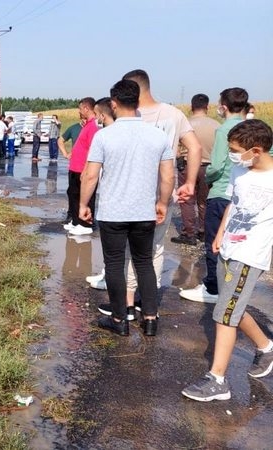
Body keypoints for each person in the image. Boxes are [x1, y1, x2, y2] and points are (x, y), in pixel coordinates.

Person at [181, 119, 273, 401]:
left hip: (249, 256)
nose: (232, 154)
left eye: (235, 150)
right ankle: (266, 347)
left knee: (225, 314)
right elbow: (234, 204)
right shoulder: (239, 169)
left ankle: (218, 380)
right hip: (229, 248)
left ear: (255, 150)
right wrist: (220, 234)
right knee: (229, 305)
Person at [79, 79, 175, 336]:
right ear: (138, 103)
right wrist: (162, 202)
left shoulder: (104, 136)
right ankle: (151, 318)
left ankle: (120, 320)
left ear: (113, 103)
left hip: (113, 212)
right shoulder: (158, 136)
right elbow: (168, 177)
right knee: (144, 263)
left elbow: (90, 176)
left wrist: (83, 204)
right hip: (144, 211)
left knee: (114, 264)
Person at [180, 88, 249, 303]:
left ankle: (213, 287)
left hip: (221, 191)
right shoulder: (251, 128)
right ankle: (234, 286)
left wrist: (208, 177)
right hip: (244, 193)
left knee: (214, 242)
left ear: (223, 106)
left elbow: (217, 166)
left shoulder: (224, 130)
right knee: (236, 242)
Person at [171, 94, 221, 246]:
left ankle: (189, 233)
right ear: (207, 107)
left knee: (187, 201)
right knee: (204, 201)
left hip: (188, 165)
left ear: (191, 107)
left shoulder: (186, 124)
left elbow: (175, 148)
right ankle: (204, 231)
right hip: (209, 167)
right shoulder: (216, 125)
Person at [64, 98, 99, 236]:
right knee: (73, 194)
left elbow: (92, 149)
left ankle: (86, 224)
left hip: (82, 168)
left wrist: (87, 168)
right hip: (75, 167)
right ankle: (76, 221)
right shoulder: (87, 125)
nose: (79, 111)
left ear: (86, 108)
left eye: (80, 108)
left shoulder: (93, 126)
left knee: (86, 196)